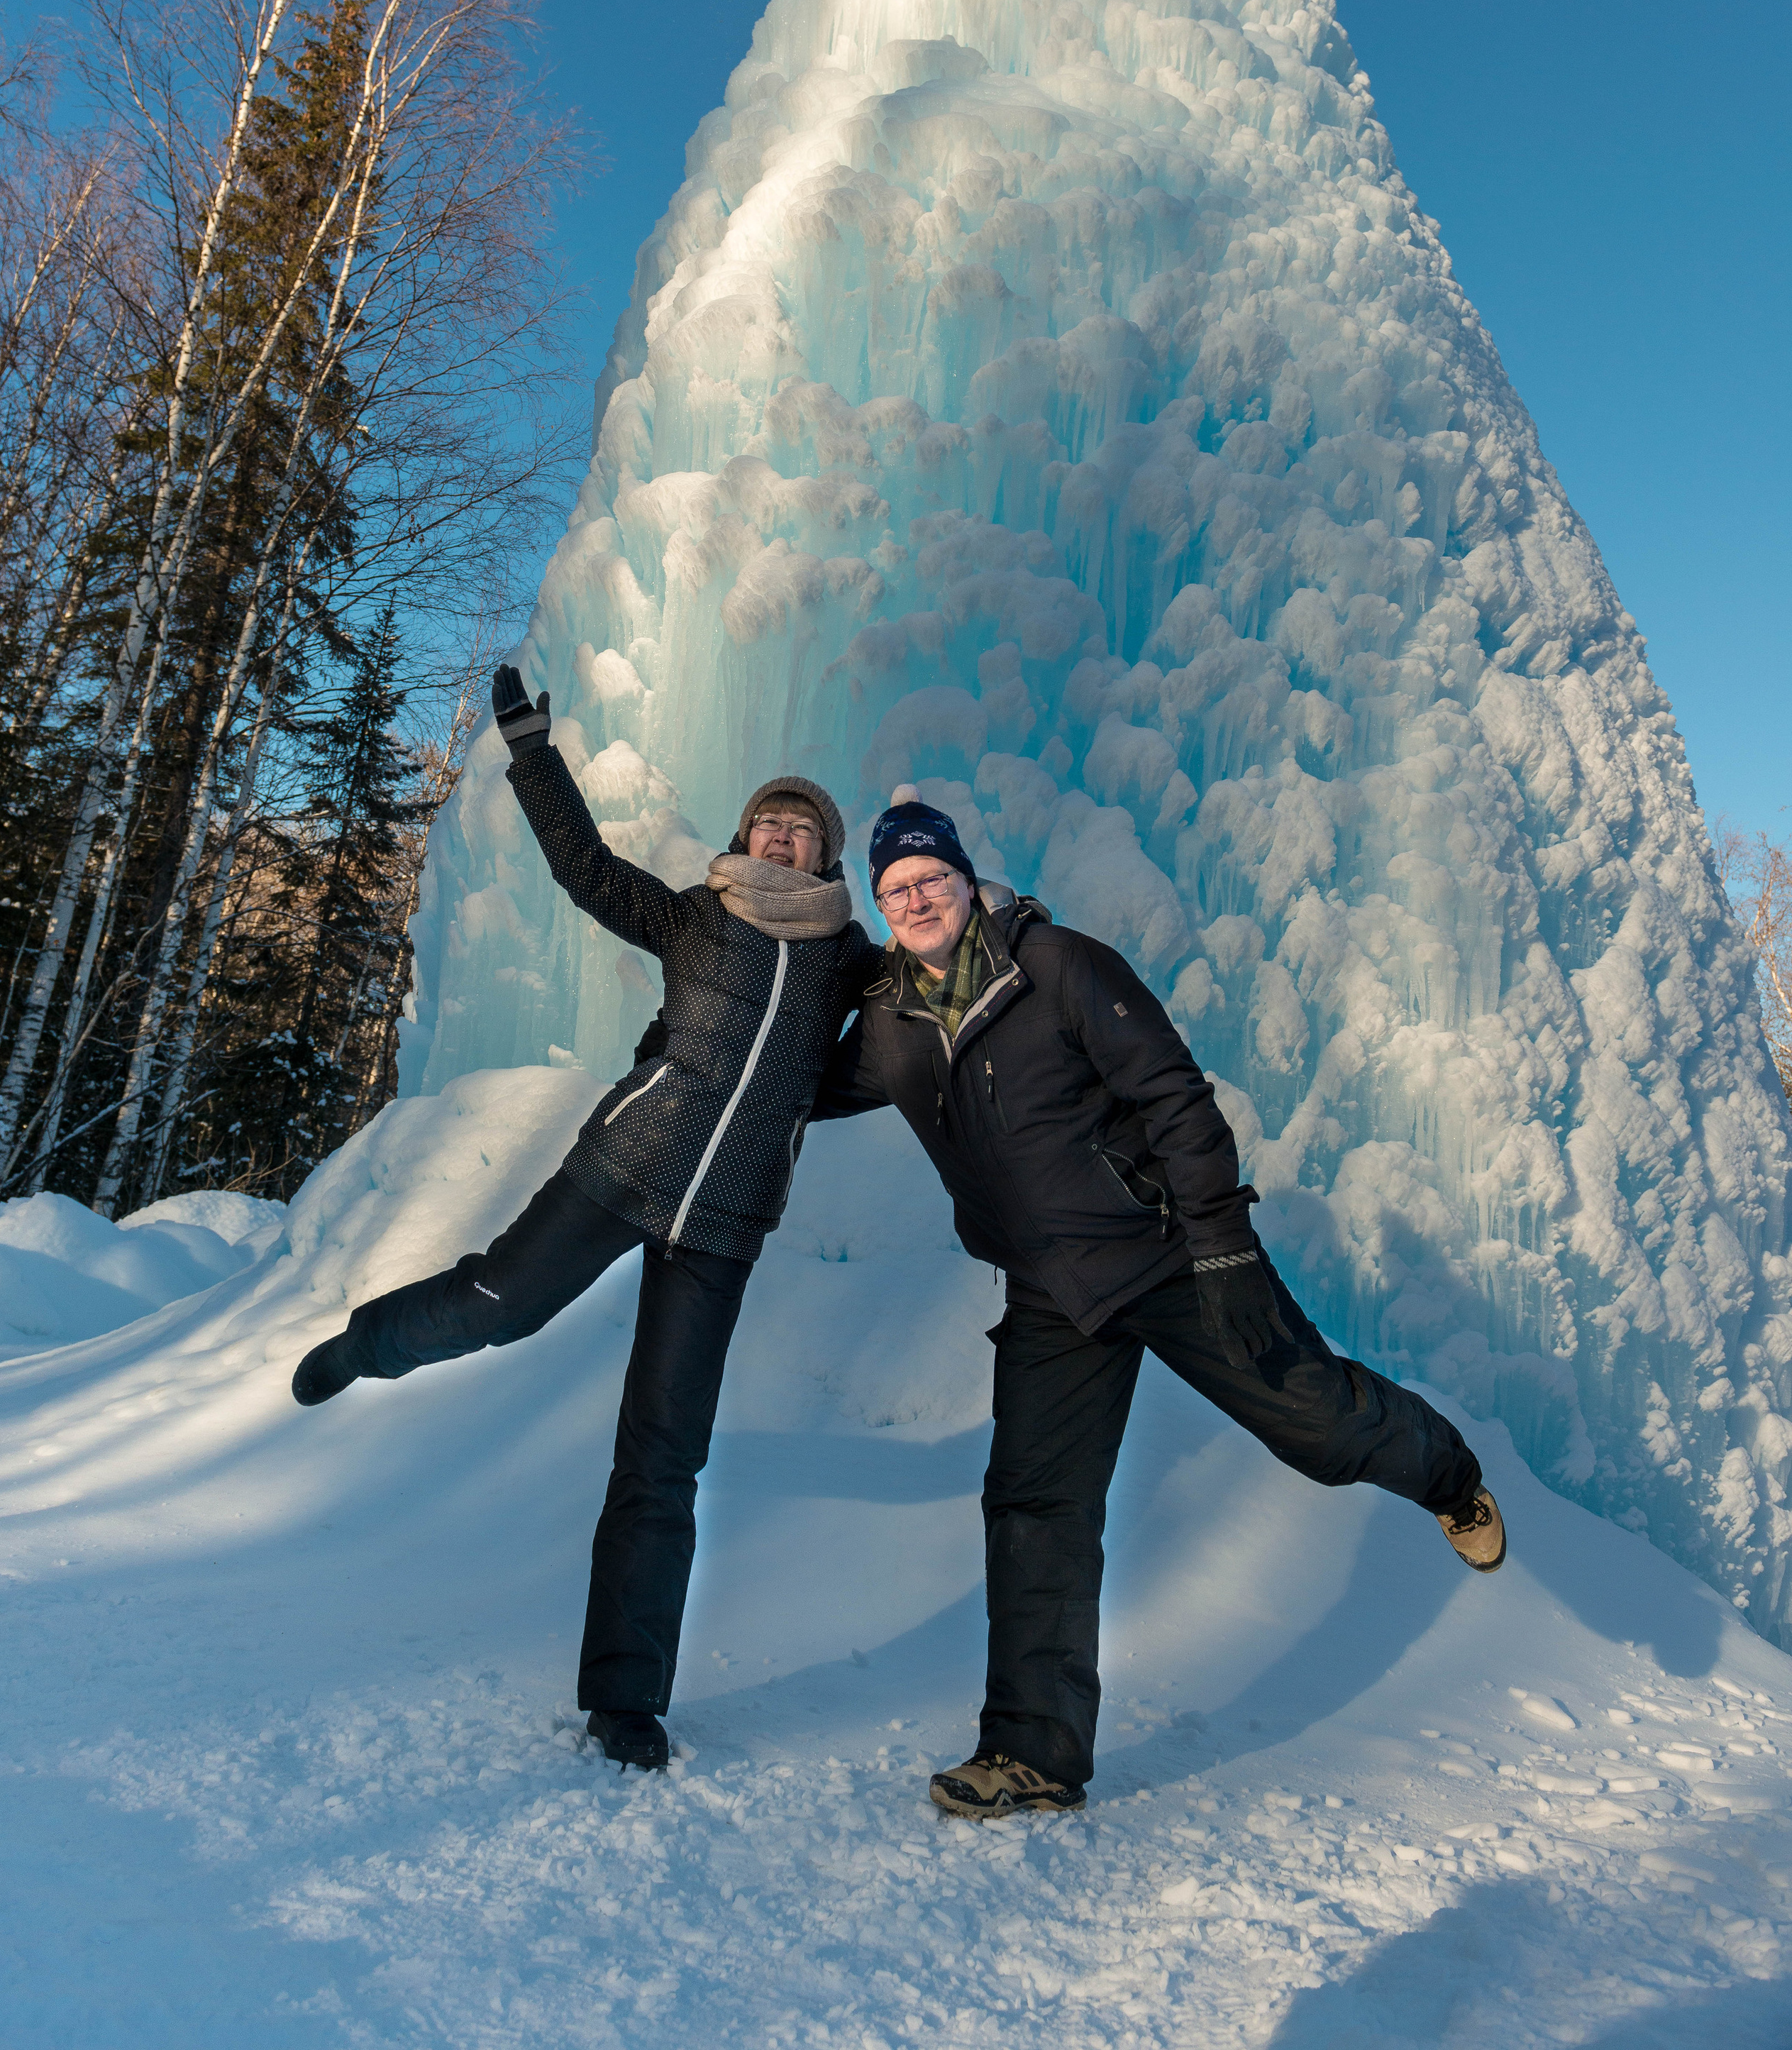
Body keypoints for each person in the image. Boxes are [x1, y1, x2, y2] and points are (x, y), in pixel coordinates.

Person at [814, 786, 1505, 1822]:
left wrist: (1223, 1249)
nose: (916, 901)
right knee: (1036, 1506)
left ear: (967, 879)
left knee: (1315, 1422)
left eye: (930, 880)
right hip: (1056, 1295)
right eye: (895, 889)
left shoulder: (1058, 964)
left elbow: (1175, 1099)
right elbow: (804, 1087)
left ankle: (1446, 1471)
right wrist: (763, 994)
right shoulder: (893, 1019)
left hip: (1172, 1256)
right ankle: (1033, 1755)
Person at [292, 666, 874, 1773]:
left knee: (664, 1458)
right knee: (497, 1306)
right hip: (624, 1164)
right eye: (768, 821)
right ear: (744, 837)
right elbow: (586, 870)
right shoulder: (699, 917)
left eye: (801, 829)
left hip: (727, 1223)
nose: (782, 836)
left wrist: (803, 1095)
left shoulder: (851, 960)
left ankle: (626, 1700)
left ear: (827, 854)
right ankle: (366, 1343)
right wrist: (533, 750)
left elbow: (882, 1055)